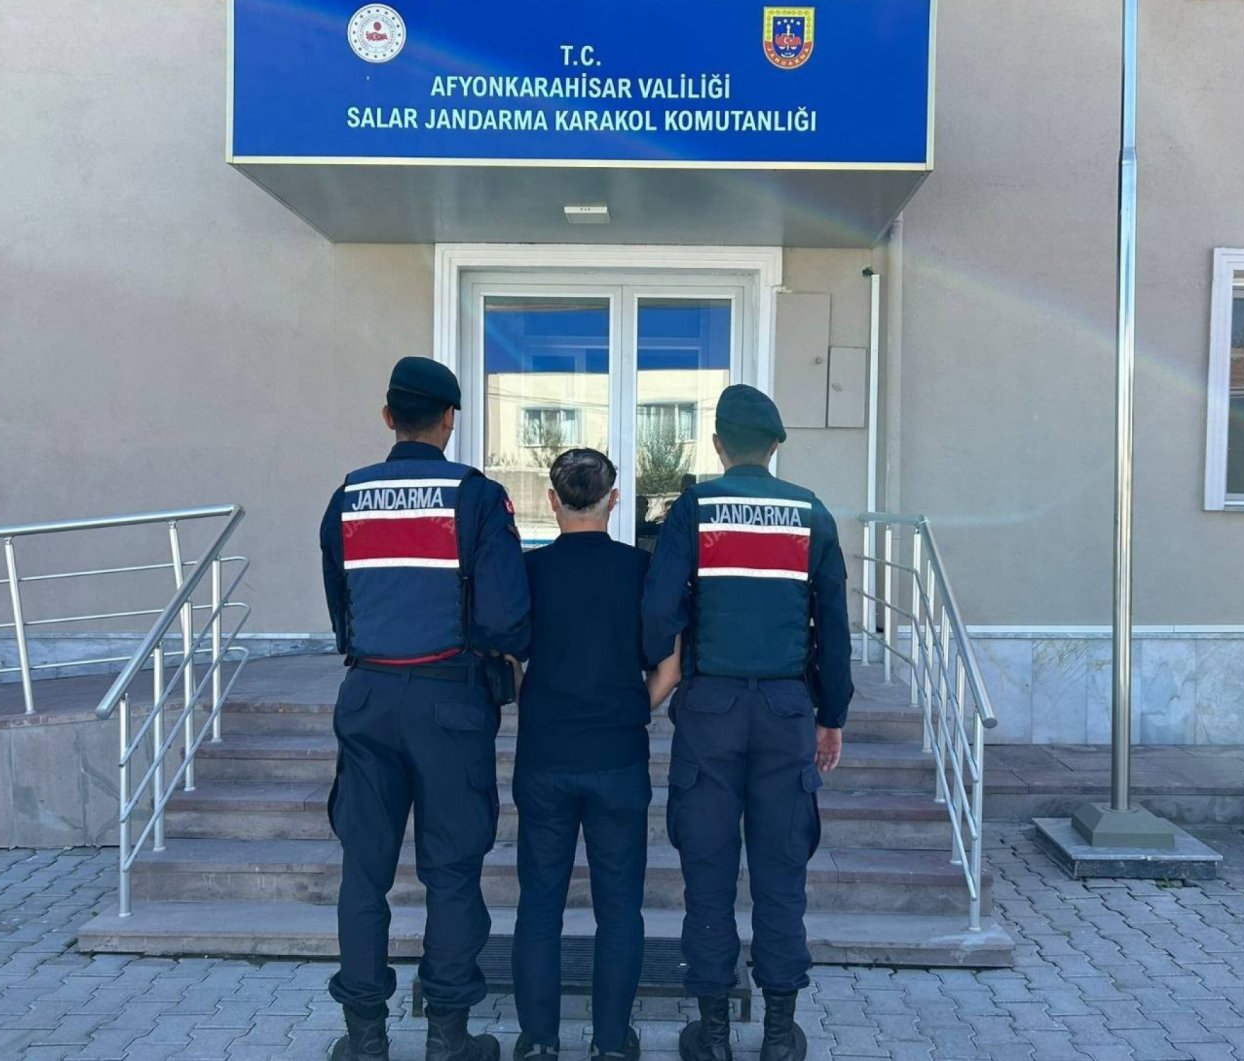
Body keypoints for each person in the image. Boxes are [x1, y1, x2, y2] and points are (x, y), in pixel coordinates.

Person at [319, 356, 531, 1061]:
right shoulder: (474, 495)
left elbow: (340, 606)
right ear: (450, 419)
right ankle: (448, 1037)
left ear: (387, 416)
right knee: (451, 872)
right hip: (449, 699)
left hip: (369, 692)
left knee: (364, 871)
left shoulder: (347, 496)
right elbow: (505, 616)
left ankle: (366, 1039)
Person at [640, 384, 854, 1061]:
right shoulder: (811, 513)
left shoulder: (695, 508)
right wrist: (832, 715)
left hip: (709, 713)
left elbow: (656, 607)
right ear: (776, 445)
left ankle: (711, 1033)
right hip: (787, 713)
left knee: (708, 870)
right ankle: (780, 1032)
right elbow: (837, 629)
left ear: (717, 443)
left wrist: (660, 669)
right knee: (781, 873)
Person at [511, 448, 680, 1061]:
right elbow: (670, 666)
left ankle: (538, 1040)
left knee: (539, 905)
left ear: (553, 501)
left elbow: (510, 660)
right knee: (619, 910)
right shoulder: (642, 569)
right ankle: (612, 1042)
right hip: (618, 757)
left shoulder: (530, 572)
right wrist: (636, 709)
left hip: (545, 757)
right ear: (613, 500)